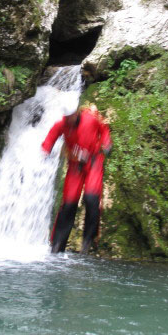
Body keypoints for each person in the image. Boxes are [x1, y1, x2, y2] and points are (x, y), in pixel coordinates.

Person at [42, 105, 112, 254]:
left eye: (70, 117)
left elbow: (104, 129)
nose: (68, 120)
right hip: (75, 166)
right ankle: (58, 245)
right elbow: (51, 137)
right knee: (68, 204)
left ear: (76, 113)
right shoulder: (62, 124)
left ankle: (88, 240)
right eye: (66, 118)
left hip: (93, 162)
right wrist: (45, 151)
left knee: (91, 198)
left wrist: (107, 143)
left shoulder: (90, 118)